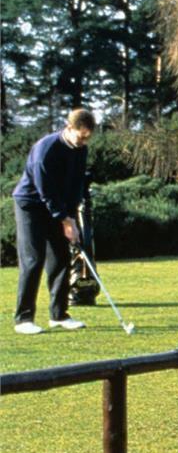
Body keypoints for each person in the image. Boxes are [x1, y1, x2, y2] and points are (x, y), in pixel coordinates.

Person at [11, 108, 96, 335]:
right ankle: (23, 318)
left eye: (88, 137)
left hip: (56, 206)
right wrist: (64, 219)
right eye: (81, 136)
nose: (84, 141)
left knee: (60, 258)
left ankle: (58, 315)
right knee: (33, 259)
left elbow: (76, 185)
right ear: (69, 128)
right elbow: (44, 190)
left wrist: (72, 218)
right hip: (30, 205)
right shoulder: (46, 150)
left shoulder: (81, 149)